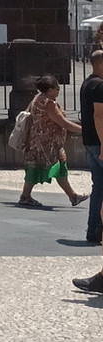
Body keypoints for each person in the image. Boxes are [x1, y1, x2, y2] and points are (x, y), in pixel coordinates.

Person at [16, 74, 88, 207]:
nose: (59, 91)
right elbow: (64, 123)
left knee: (34, 167)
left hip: (36, 141)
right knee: (59, 167)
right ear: (50, 89)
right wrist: (85, 130)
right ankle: (72, 196)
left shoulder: (37, 98)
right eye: (57, 88)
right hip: (49, 144)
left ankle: (25, 196)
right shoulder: (49, 103)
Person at [80, 50, 103, 244]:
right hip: (99, 142)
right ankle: (96, 228)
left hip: (89, 141)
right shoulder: (100, 85)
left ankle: (94, 229)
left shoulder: (86, 84)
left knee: (99, 187)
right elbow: (99, 115)